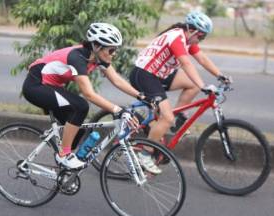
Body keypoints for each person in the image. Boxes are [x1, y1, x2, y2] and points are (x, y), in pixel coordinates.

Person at [22, 22, 145, 170]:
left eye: (115, 50)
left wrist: (141, 96)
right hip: (35, 86)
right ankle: (63, 156)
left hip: (51, 87)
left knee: (78, 132)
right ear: (97, 47)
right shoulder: (77, 57)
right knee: (80, 106)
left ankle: (63, 165)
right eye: (111, 50)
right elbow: (89, 94)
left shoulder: (97, 57)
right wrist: (118, 110)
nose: (114, 54)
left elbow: (116, 80)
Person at [129, 11, 232, 174]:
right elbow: (186, 63)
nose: (201, 40)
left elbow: (202, 58)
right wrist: (204, 85)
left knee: (192, 85)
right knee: (166, 117)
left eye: (203, 37)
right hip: (145, 74)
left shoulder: (188, 39)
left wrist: (220, 75)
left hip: (159, 74)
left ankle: (178, 121)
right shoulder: (177, 37)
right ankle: (145, 154)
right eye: (201, 36)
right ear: (191, 30)